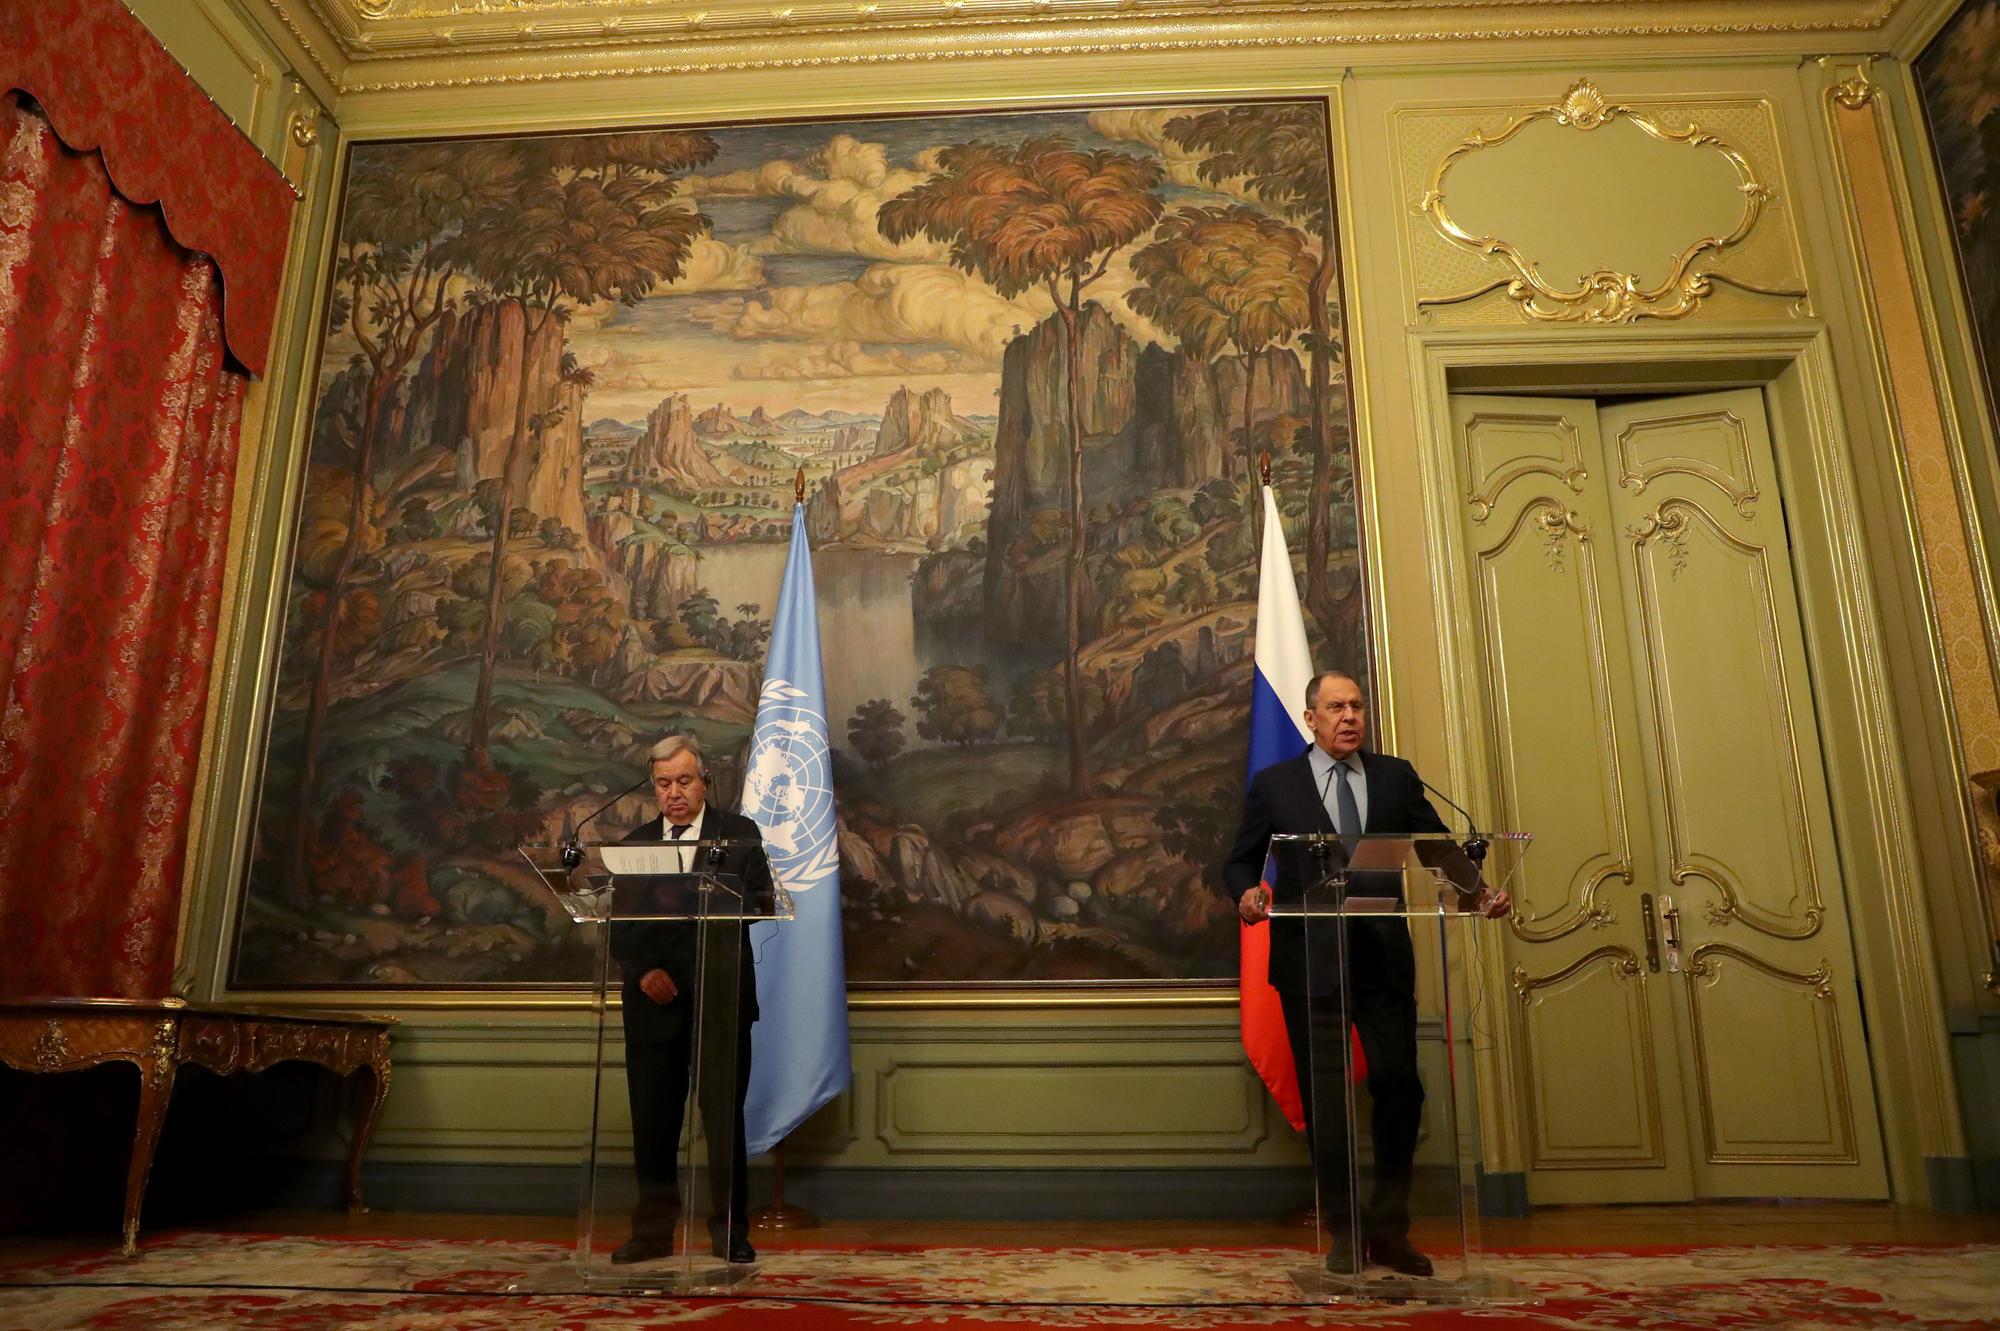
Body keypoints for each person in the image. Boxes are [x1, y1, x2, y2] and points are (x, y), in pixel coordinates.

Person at [1222, 670, 1510, 1277]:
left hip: (1382, 958)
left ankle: (1389, 1230)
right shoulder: (1276, 784)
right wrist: (1247, 892)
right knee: (1328, 1103)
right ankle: (1347, 1233)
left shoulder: (1394, 776)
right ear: (1311, 719)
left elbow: (1435, 846)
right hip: (1310, 963)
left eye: (1356, 706)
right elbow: (1241, 859)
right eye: (1335, 707)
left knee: (1401, 1087)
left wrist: (1477, 893)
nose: (1349, 716)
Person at [608, 733, 770, 1266]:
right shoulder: (635, 846)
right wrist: (644, 969)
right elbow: (619, 928)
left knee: (723, 1124)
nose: (674, 792)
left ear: (705, 782)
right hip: (654, 1004)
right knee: (653, 1125)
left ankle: (729, 1234)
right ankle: (652, 1234)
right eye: (663, 783)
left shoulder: (739, 835)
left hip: (720, 999)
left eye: (683, 780)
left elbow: (760, 901)